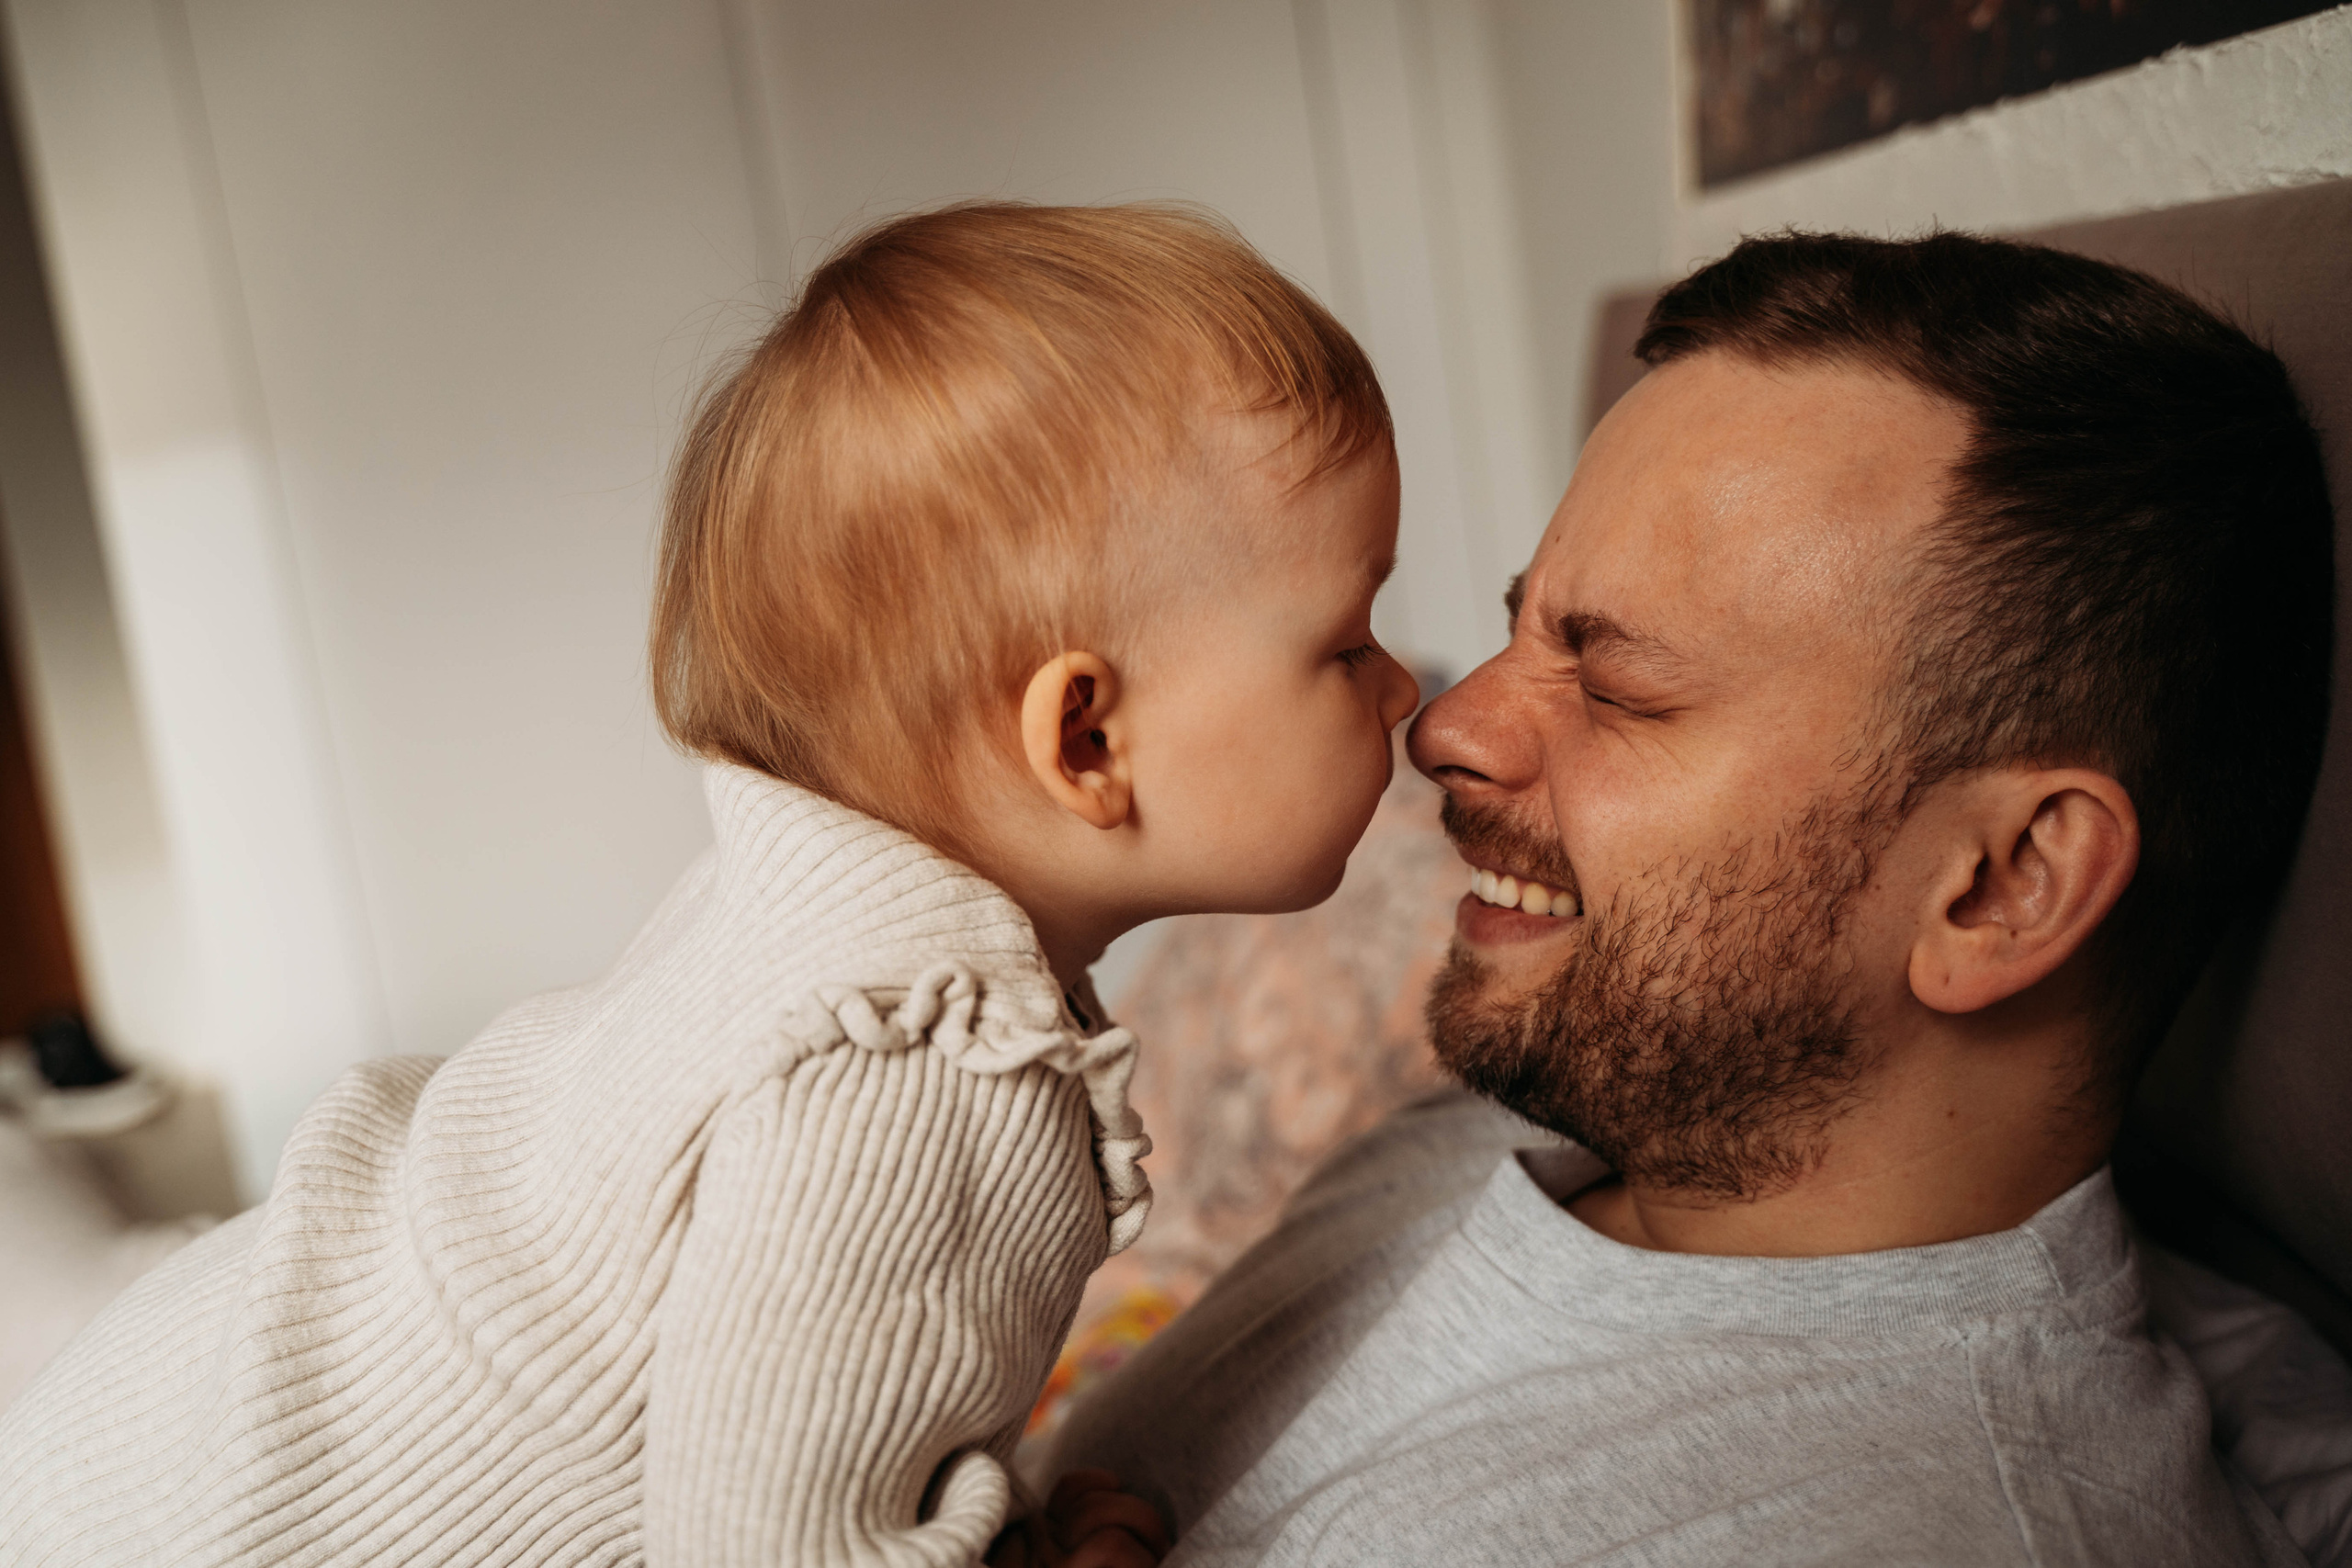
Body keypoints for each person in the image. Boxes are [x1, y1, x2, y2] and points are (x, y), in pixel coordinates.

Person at [0, 204, 1419, 1568]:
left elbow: (830, 1402)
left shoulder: (821, 909)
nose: (1407, 686)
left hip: (149, 1405)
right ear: (1086, 738)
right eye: (1345, 642)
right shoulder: (915, 1086)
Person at [1045, 231, 2333, 1566]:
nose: (1445, 728)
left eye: (1617, 689)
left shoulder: (1918, 1529)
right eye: (1522, 628)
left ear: (2001, 887)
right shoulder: (1502, 1131)